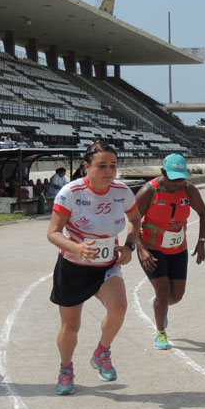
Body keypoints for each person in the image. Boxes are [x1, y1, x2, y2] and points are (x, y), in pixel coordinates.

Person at [46, 141, 142, 395]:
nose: (109, 172)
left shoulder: (122, 191)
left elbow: (135, 219)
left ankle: (102, 352)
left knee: (119, 308)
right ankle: (66, 369)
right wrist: (76, 247)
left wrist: (129, 246)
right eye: (102, 166)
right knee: (70, 327)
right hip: (73, 267)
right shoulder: (71, 193)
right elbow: (53, 232)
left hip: (105, 266)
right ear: (86, 167)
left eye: (113, 166)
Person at [136, 154, 205, 348]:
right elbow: (133, 222)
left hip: (177, 249)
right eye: (173, 179)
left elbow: (204, 213)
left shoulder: (188, 190)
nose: (177, 183)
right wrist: (142, 250)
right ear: (163, 172)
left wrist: (201, 242)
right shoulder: (149, 191)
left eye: (180, 179)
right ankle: (160, 333)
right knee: (163, 292)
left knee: (176, 296)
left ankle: (159, 304)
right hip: (152, 249)